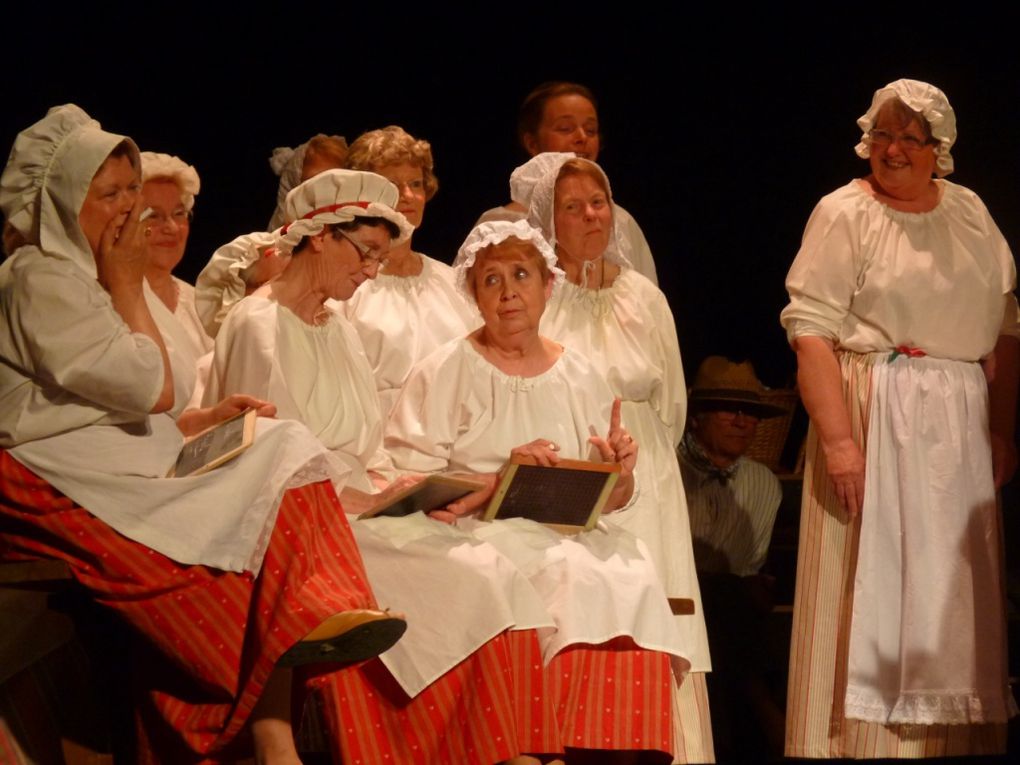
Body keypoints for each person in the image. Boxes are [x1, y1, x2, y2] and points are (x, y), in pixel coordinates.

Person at [0, 105, 404, 762]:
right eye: (111, 194)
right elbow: (144, 384)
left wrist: (195, 421)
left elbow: (110, 400)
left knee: (277, 444)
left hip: (99, 462)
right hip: (48, 482)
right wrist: (132, 282)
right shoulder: (41, 275)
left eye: (132, 189)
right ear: (63, 199)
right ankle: (286, 672)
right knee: (231, 533)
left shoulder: (81, 279)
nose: (130, 210)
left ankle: (317, 620)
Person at [205, 171, 564, 764]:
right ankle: (461, 749)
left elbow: (365, 443)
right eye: (365, 252)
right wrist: (362, 502)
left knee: (488, 564)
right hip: (302, 529)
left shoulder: (337, 325)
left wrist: (397, 486)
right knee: (465, 576)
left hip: (358, 506)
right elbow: (263, 466)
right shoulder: (258, 324)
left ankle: (511, 745)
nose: (373, 270)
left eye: (380, 255)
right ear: (319, 237)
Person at [387, 218, 688, 763]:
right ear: (473, 294)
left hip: (565, 532)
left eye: (521, 275)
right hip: (475, 533)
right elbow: (410, 485)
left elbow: (612, 499)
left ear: (548, 286)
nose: (508, 294)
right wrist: (499, 478)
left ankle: (617, 743)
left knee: (630, 570)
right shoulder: (445, 370)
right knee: (568, 574)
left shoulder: (578, 373)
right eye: (491, 280)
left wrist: (621, 476)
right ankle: (542, 742)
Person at [780, 79, 1019, 758]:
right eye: (883, 134)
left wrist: (1000, 428)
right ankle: (854, 742)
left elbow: (1005, 324)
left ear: (938, 149)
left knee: (950, 596)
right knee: (861, 586)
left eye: (910, 137)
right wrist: (839, 441)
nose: (893, 149)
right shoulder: (843, 212)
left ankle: (945, 743)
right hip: (869, 410)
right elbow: (812, 329)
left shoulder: (970, 212)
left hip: (954, 433)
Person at [503, 151, 714, 763]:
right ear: (549, 221)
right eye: (572, 207)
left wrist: (642, 464)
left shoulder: (645, 297)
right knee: (584, 613)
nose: (591, 216)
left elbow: (671, 401)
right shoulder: (540, 296)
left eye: (598, 202)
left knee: (658, 604)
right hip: (571, 472)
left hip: (645, 477)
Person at [678, 356, 785, 761]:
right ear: (696, 418)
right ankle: (764, 715)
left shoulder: (763, 483)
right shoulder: (669, 470)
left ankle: (733, 738)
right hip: (674, 599)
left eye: (751, 413)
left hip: (735, 605)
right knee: (719, 599)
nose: (743, 421)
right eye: (729, 409)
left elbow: (751, 564)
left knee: (731, 602)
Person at [341, 126, 479, 415]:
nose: (407, 196)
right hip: (377, 439)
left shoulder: (451, 282)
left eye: (415, 184)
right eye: (392, 185)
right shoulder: (348, 286)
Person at [476, 81, 659, 285]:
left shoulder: (620, 222)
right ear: (532, 143)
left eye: (591, 130)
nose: (581, 137)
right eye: (565, 128)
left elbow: (646, 299)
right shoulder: (499, 226)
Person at [139, 151, 214, 365]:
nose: (171, 227)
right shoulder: (108, 303)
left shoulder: (199, 304)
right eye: (153, 215)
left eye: (179, 214)